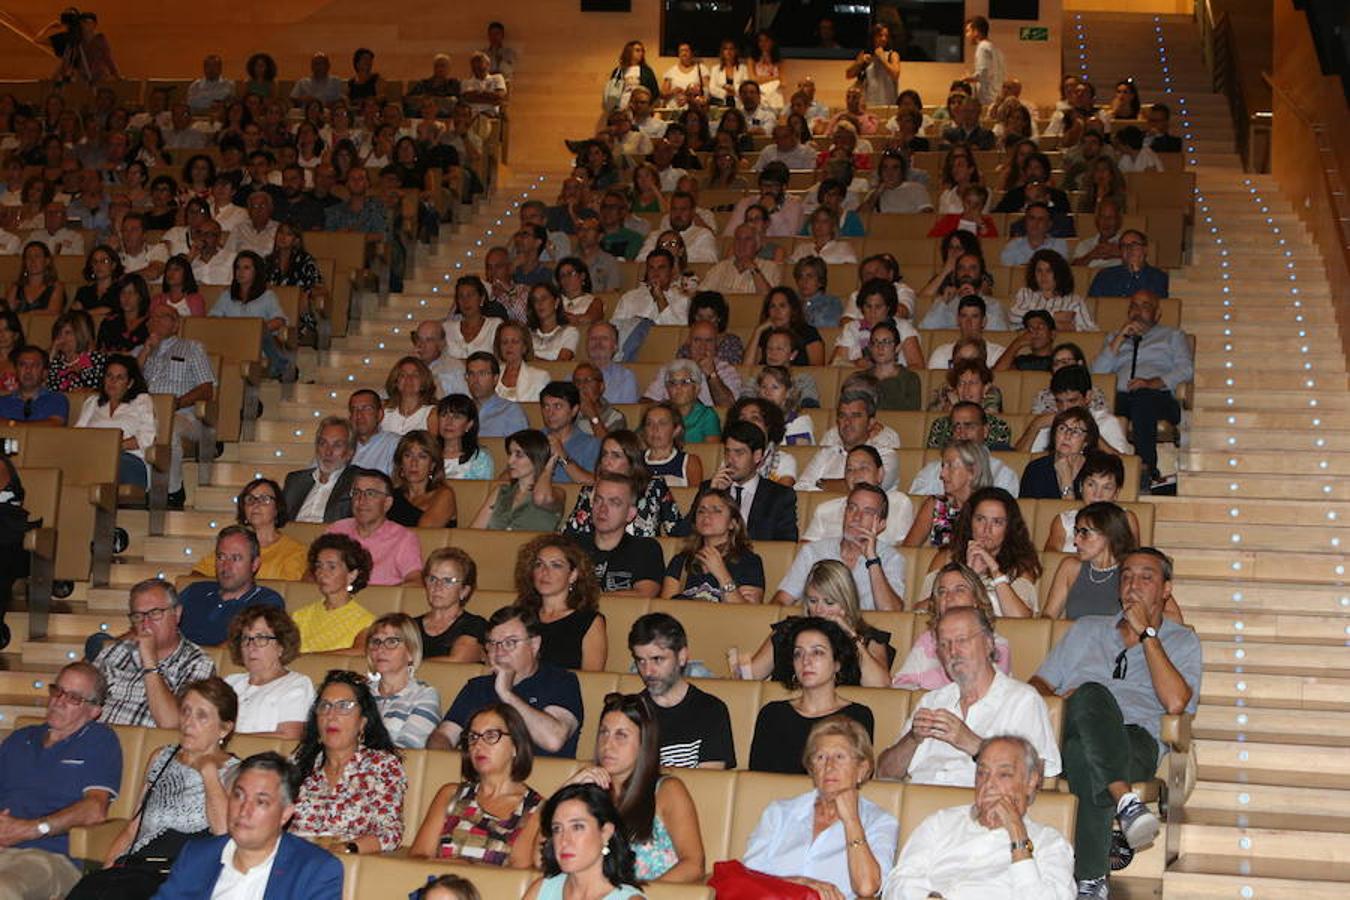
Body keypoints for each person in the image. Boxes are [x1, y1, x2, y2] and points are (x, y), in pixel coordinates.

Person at [1032, 548, 1202, 897]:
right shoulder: (1087, 629)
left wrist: (1148, 636)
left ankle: (1092, 878)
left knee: (1083, 753)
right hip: (1069, 730)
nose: (1133, 584)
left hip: (1135, 740)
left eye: (1146, 577)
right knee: (1090, 694)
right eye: (1126, 576)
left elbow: (1175, 702)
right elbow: (1038, 684)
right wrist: (1066, 701)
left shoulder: (1183, 640)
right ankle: (1125, 803)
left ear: (1166, 589)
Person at [67, 677, 239, 900]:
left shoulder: (236, 771)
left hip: (177, 877)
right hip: (133, 870)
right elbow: (133, 827)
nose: (188, 722)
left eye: (201, 716)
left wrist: (208, 771)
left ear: (224, 729)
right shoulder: (161, 757)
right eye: (185, 711)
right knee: (92, 888)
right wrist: (106, 871)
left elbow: (224, 831)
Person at [878, 607, 1060, 786]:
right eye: (944, 644)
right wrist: (912, 739)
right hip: (918, 807)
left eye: (962, 640)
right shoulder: (931, 701)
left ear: (989, 643)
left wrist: (973, 744)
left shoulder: (1022, 700)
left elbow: (1034, 779)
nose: (953, 651)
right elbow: (883, 774)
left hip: (981, 808)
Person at [881, 735, 1075, 899]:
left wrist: (1017, 836)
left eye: (1004, 774)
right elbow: (898, 882)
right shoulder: (941, 822)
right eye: (982, 773)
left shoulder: (1050, 842)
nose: (989, 784)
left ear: (1031, 781)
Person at [0, 661, 121, 900]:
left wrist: (32, 829)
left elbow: (95, 810)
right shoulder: (20, 739)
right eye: (58, 691)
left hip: (49, 857)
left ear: (94, 710)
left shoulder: (99, 740)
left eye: (74, 697)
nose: (59, 701)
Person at [149, 751, 343, 899]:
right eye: (238, 795)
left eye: (261, 802)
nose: (244, 810)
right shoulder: (197, 856)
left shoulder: (315, 870)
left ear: (285, 814)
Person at [745, 715, 897, 897]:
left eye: (839, 757)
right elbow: (747, 877)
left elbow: (866, 887)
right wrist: (800, 884)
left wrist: (851, 821)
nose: (829, 766)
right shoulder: (780, 812)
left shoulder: (879, 822)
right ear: (811, 768)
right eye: (820, 757)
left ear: (862, 769)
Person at [562, 693, 705, 883]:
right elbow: (542, 860)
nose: (607, 745)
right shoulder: (586, 790)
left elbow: (694, 865)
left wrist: (634, 896)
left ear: (643, 743)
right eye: (604, 732)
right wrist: (566, 793)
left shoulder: (667, 791)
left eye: (621, 735)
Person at [430, 605, 584, 758]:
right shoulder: (477, 688)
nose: (499, 652)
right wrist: (449, 763)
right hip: (482, 779)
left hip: (542, 779)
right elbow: (444, 736)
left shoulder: (561, 681)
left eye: (510, 643)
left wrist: (506, 694)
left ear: (534, 644)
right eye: (493, 643)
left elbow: (553, 741)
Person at [409, 703, 542, 866]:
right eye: (473, 737)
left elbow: (517, 872)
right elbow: (418, 857)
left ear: (516, 746)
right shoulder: (451, 794)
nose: (478, 745)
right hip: (437, 885)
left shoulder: (535, 809)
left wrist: (466, 869)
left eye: (491, 736)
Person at [290, 670, 406, 854]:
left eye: (344, 706)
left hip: (349, 863)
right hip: (295, 861)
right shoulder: (298, 763)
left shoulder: (382, 766)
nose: (331, 715)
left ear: (362, 722)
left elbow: (389, 834)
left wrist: (345, 849)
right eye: (325, 706)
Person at [748, 616, 875, 773]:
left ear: (837, 663)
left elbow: (857, 775)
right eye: (798, 654)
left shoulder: (857, 716)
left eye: (817, 652)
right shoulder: (772, 714)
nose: (806, 661)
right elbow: (757, 780)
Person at [1093, 290, 1191, 489]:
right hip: (1120, 398)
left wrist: (1153, 382)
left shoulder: (1172, 335)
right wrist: (1120, 337)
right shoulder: (1115, 338)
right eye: (1134, 306)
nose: (1138, 311)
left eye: (1145, 306)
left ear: (1157, 314)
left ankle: (1145, 469)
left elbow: (1187, 369)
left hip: (1158, 398)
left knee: (1143, 398)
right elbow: (1097, 373)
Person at [94, 578, 216, 728]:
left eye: (155, 613)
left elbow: (171, 724)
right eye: (138, 616)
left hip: (150, 747)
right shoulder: (115, 652)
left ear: (177, 613)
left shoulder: (198, 663)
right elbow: (80, 700)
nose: (146, 624)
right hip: (97, 741)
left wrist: (149, 662)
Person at [628, 613, 736, 768]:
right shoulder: (628, 712)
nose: (648, 671)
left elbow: (712, 784)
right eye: (640, 661)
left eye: (657, 659)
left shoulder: (711, 710)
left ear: (682, 656)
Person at [136, 306, 214, 506]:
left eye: (163, 317)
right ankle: (141, 488)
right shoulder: (141, 351)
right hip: (144, 415)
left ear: (176, 324)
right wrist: (146, 350)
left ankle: (172, 491)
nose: (156, 320)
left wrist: (175, 404)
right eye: (152, 317)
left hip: (184, 414)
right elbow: (128, 384)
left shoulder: (192, 347)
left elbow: (206, 389)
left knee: (167, 429)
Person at [920, 487, 1041, 616]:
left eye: (997, 522)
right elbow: (921, 610)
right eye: (980, 519)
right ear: (970, 522)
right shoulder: (947, 558)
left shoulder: (1020, 566)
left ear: (1009, 528)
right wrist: (968, 574)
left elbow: (1020, 619)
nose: (986, 529)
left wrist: (995, 571)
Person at [892, 562, 1013, 690]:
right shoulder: (928, 639)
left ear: (976, 600)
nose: (949, 597)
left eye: (959, 590)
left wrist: (923, 682)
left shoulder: (995, 644)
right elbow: (901, 684)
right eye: (942, 592)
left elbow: (978, 686)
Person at [523, 783, 644, 899]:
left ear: (605, 833)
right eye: (557, 829)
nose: (564, 841)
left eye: (577, 827)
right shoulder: (541, 890)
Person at [177, 525, 286, 646]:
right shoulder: (195, 591)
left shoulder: (266, 601)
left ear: (255, 564)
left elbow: (243, 645)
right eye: (221, 557)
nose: (226, 566)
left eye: (236, 558)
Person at [514, 534, 608, 671]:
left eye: (556, 565)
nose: (544, 572)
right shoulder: (518, 616)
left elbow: (591, 680)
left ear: (573, 575)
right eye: (539, 564)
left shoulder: (588, 621)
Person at [222, 604, 313, 738]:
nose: (251, 646)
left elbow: (289, 736)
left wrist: (226, 739)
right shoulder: (230, 682)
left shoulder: (297, 684)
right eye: (246, 638)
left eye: (261, 638)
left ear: (281, 646)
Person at [661, 487, 764, 603]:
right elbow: (666, 611)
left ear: (732, 523)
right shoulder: (682, 560)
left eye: (716, 510)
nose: (706, 515)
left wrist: (721, 573)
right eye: (701, 511)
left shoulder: (749, 562)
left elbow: (746, 615)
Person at [1042, 502, 1140, 620]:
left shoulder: (1133, 573)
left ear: (1109, 534)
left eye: (1084, 533)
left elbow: (1165, 615)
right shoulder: (1070, 567)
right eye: (1076, 532)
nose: (1076, 541)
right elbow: (1048, 616)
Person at [325, 470, 425, 585]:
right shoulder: (336, 530)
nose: (361, 500)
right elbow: (313, 573)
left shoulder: (403, 538)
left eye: (370, 494)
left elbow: (415, 581)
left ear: (387, 503)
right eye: (357, 493)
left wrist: (379, 596)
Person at [803, 445, 915, 545]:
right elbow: (804, 551)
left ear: (880, 474)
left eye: (864, 468)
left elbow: (903, 551)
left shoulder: (899, 503)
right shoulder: (825, 510)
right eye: (850, 470)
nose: (856, 474)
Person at [798, 385, 900, 491]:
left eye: (855, 416)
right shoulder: (825, 454)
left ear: (870, 423)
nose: (847, 422)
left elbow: (869, 488)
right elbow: (801, 489)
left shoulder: (885, 454)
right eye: (843, 416)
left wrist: (822, 484)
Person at [366, 613, 441, 749]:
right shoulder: (359, 692)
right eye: (376, 642)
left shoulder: (424, 695)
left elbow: (409, 750)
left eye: (392, 642)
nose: (380, 649)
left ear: (410, 652)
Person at [292, 532, 377, 652]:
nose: (322, 573)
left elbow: (360, 652)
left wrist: (308, 659)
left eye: (331, 567)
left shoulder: (366, 621)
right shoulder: (300, 616)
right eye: (319, 566)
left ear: (352, 575)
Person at [1045, 452, 1141, 552]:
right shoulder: (1064, 521)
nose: (1097, 494)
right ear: (1081, 486)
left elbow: (1132, 559)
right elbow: (1051, 558)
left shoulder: (1126, 519)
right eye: (1091, 485)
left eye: (1107, 488)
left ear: (1116, 493)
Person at [472, 428, 565, 531]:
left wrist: (549, 463)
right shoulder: (501, 491)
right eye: (510, 454)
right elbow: (474, 531)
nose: (510, 461)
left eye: (519, 455)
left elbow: (541, 498)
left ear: (537, 457)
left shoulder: (558, 493)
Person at [905, 441, 994, 547]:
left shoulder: (992, 510)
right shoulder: (936, 505)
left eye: (950, 466)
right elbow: (907, 551)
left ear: (972, 471)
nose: (942, 474)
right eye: (943, 466)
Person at [414, 547, 488, 662]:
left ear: (464, 591)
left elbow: (457, 661)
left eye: (448, 581)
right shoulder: (410, 626)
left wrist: (406, 665)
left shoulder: (475, 625)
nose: (437, 586)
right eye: (432, 579)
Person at [283, 417, 360, 524]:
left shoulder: (357, 481)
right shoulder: (295, 481)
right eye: (323, 443)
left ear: (350, 452)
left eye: (337, 445)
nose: (328, 452)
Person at [1021, 406, 1102, 500]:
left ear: (1086, 441)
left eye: (1076, 431)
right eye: (1062, 428)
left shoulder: (1095, 471)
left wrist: (1066, 481)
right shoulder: (1036, 469)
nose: (1067, 436)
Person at [390, 430, 457, 527]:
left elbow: (424, 533)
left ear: (432, 465)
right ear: (400, 463)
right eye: (408, 456)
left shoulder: (444, 495)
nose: (413, 463)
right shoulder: (390, 496)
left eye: (422, 457)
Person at [700, 223, 780, 294]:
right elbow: (701, 296)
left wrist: (754, 270)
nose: (742, 244)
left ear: (757, 245)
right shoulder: (720, 268)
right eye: (738, 239)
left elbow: (768, 300)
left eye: (747, 239)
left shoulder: (770, 267)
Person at [0, 346, 68, 427]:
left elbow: (54, 424)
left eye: (35, 365)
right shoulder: (2, 402)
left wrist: (11, 424)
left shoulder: (57, 399)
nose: (28, 370)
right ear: (15, 371)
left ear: (44, 373)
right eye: (22, 365)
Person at [1088, 231, 1169, 298]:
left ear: (1145, 250)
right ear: (1120, 252)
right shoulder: (1105, 275)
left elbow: (1154, 305)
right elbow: (1093, 304)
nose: (1129, 249)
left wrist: (1136, 273)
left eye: (1135, 244)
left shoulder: (1159, 277)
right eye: (1124, 246)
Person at [466, 352, 529, 438]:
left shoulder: (511, 411)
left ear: (495, 379)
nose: (475, 380)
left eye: (482, 374)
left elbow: (521, 448)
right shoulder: (461, 410)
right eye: (471, 374)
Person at [437, 393, 495, 481]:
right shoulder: (428, 454)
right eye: (444, 415)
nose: (449, 422)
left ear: (469, 424)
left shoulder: (479, 458)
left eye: (457, 417)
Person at [962, 15, 1007, 105]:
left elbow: (983, 73)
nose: (967, 35)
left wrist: (968, 78)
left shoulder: (982, 47)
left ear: (976, 32)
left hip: (986, 99)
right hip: (997, 97)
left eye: (968, 31)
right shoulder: (996, 49)